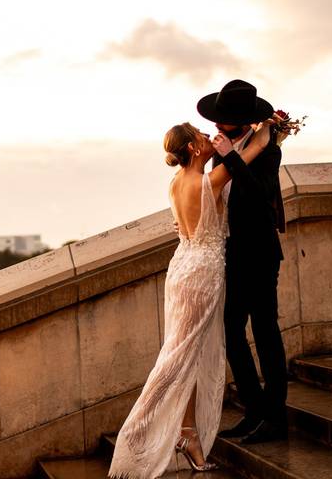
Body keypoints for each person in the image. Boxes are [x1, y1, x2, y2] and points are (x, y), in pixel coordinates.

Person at [108, 117, 272, 478]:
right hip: (201, 273)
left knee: (185, 354)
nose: (209, 136)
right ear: (195, 148)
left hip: (181, 266)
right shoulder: (210, 180)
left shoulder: (175, 183)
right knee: (179, 357)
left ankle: (187, 435)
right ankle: (137, 435)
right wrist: (269, 126)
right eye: (201, 135)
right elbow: (255, 149)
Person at [197, 79, 288, 445]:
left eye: (224, 120)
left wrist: (231, 156)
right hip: (232, 253)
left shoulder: (268, 151)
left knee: (266, 331)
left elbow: (260, 193)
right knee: (232, 331)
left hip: (261, 253)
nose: (217, 126)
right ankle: (253, 410)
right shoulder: (225, 150)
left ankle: (275, 416)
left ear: (243, 119)